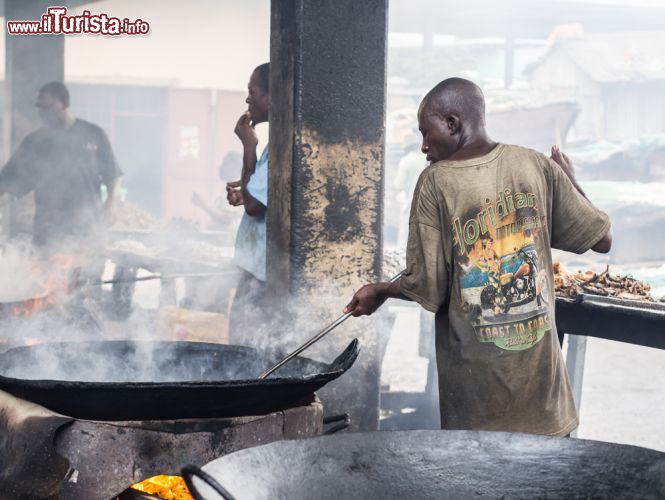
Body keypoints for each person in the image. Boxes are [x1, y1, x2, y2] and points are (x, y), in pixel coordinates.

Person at [345, 77, 612, 437]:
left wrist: (381, 291)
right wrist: (570, 180)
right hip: (545, 400)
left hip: (478, 403)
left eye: (427, 132)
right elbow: (602, 239)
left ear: (453, 124)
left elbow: (429, 286)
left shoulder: (435, 182)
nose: (424, 146)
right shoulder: (537, 165)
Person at [0, 81, 121, 280]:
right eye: (38, 107)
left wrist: (111, 204)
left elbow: (112, 175)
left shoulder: (93, 133)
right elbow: (6, 181)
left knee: (87, 289)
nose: (41, 112)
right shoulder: (34, 142)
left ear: (63, 103)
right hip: (48, 233)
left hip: (87, 230)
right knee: (47, 290)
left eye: (46, 107)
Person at [226, 63, 270, 344]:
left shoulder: (281, 145)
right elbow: (255, 195)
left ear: (272, 96)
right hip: (255, 267)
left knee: (244, 347)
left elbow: (254, 206)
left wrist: (248, 147)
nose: (247, 100)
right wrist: (246, 188)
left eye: (252, 92)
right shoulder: (275, 144)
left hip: (263, 272)